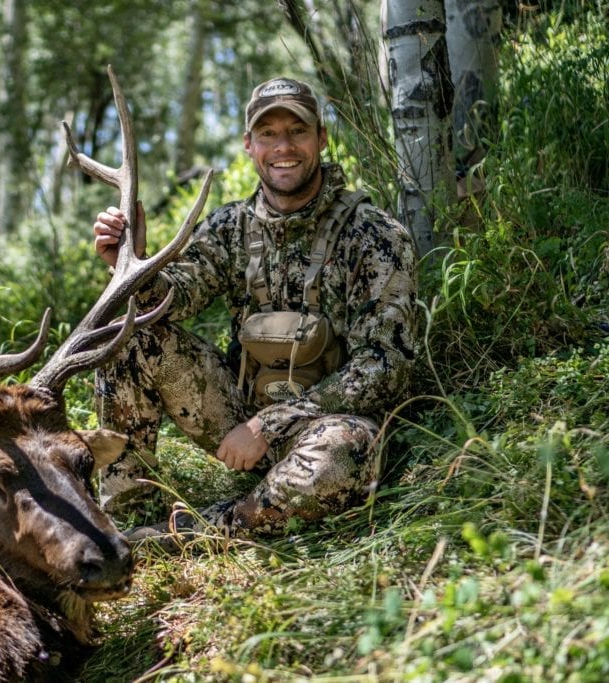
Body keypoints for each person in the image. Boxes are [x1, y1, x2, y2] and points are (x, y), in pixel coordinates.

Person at [91, 77, 419, 539]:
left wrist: (269, 423)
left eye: (297, 132)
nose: (283, 147)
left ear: (321, 139)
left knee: (345, 452)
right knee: (128, 335)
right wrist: (136, 266)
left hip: (327, 426)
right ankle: (125, 517)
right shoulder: (230, 226)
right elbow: (175, 296)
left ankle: (200, 530)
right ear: (249, 144)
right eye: (268, 134)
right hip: (239, 414)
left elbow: (386, 365)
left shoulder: (374, 235)